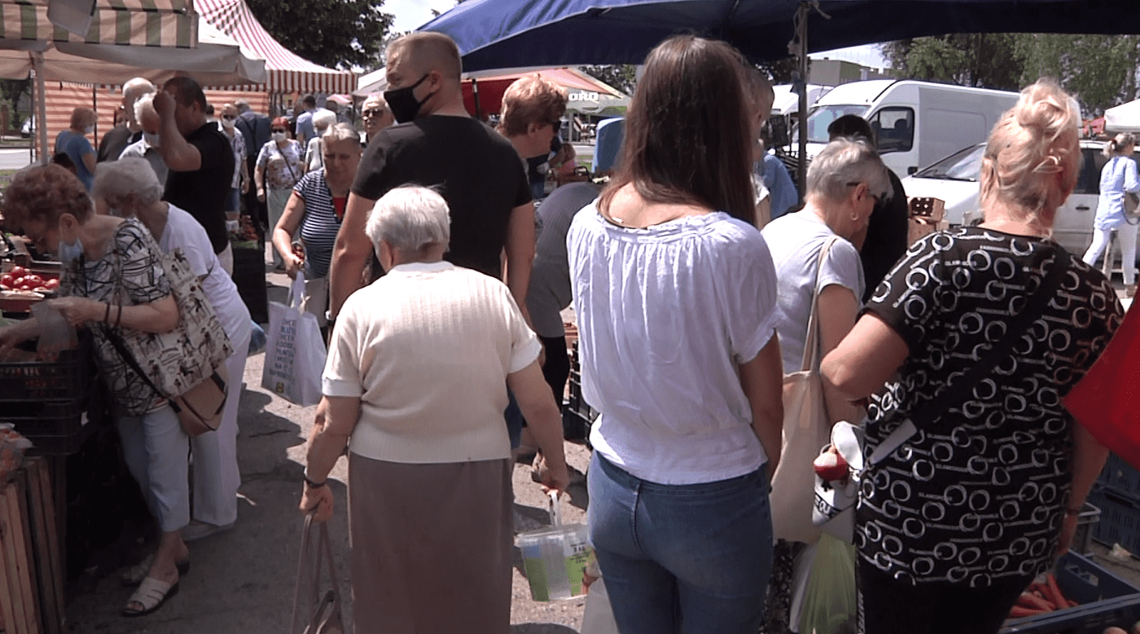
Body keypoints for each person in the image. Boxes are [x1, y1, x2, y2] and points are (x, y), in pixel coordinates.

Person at [820, 79, 1124, 634]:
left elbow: (844, 372)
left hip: (911, 524)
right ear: (1064, 183)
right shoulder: (1093, 294)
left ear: (987, 173)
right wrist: (1072, 509)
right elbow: (1095, 429)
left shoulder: (940, 260)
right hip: (1017, 529)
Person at [568, 35, 783, 634]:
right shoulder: (731, 244)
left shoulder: (589, 221)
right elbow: (768, 404)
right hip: (711, 491)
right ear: (727, 123)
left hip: (614, 479)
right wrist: (756, 478)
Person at [299, 186, 570, 634]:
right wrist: (556, 463)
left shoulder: (360, 308)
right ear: (443, 239)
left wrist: (315, 480)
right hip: (477, 470)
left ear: (384, 248)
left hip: (387, 474)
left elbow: (331, 420)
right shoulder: (492, 295)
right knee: (474, 595)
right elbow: (538, 400)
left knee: (390, 598)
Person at [0, 165, 187, 616]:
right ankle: (172, 547)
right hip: (120, 385)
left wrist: (95, 310)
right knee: (143, 470)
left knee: (164, 475)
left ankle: (167, 565)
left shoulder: (130, 240)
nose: (36, 246)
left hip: (157, 380)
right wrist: (15, 332)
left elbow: (165, 315)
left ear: (65, 222)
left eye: (37, 237)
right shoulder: (76, 255)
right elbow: (65, 310)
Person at [758, 136, 888, 633]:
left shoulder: (775, 230)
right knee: (793, 571)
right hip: (804, 432)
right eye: (872, 201)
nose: (871, 214)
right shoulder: (834, 254)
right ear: (857, 195)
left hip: (763, 412)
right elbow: (839, 370)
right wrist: (850, 441)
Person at [92, 158, 252, 542]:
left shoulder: (179, 228)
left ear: (130, 199)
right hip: (204, 329)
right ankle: (218, 495)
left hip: (218, 329)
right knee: (208, 421)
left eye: (112, 202)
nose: (108, 210)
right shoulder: (150, 223)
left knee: (210, 420)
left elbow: (185, 300)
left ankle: (217, 514)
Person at [328, 32, 532, 327]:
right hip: (480, 324)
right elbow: (523, 253)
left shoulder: (388, 147)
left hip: (397, 326)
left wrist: (338, 326)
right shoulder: (506, 153)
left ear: (434, 81)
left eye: (396, 81)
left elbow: (350, 250)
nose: (389, 91)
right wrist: (511, 324)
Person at [273, 123, 361, 329]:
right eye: (329, 156)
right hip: (315, 292)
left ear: (359, 154)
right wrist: (288, 257)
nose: (336, 163)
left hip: (361, 294)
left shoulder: (370, 185)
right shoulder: (310, 184)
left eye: (344, 157)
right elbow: (282, 229)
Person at [525, 181, 599, 409]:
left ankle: (536, 430)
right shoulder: (593, 206)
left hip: (534, 282)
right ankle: (541, 434)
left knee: (548, 363)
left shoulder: (578, 193)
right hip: (539, 289)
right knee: (555, 365)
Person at [154, 77, 236, 274]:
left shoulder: (214, 141)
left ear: (195, 107)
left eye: (175, 109)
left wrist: (166, 114)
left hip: (208, 255)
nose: (171, 117)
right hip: (185, 252)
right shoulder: (186, 139)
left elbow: (177, 158)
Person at [827, 114, 910, 301]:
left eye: (833, 148)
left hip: (869, 283)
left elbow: (856, 237)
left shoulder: (867, 182)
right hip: (886, 280)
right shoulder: (887, 177)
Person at [1082, 132, 1140, 297]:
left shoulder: (1108, 165)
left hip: (1104, 211)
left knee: (1096, 246)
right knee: (1128, 251)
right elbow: (1131, 186)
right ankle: (1129, 286)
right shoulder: (1129, 163)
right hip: (1124, 213)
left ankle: (1081, 276)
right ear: (1129, 147)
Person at [498, 74, 567, 201]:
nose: (556, 133)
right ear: (533, 128)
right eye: (556, 125)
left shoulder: (509, 161)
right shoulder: (497, 171)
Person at [256, 116, 304, 269]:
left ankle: (295, 257)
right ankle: (280, 260)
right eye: (275, 130)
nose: (277, 133)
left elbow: (305, 165)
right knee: (277, 225)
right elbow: (259, 169)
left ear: (287, 131)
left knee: (295, 224)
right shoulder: (268, 148)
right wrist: (259, 188)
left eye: (281, 130)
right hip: (275, 191)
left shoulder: (296, 146)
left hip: (294, 190)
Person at [234, 99, 272, 229]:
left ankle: (254, 220)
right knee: (265, 186)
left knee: (250, 191)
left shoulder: (238, 122)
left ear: (238, 109)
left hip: (248, 158)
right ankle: (266, 218)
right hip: (265, 156)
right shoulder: (265, 119)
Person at [119, 92, 169, 186]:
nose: (157, 136)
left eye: (161, 131)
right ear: (141, 126)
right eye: (151, 132)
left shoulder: (185, 153)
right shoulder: (131, 156)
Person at [54, 107, 97, 190]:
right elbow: (92, 168)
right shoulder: (82, 142)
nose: (93, 126)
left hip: (65, 182)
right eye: (92, 123)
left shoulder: (62, 135)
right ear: (85, 123)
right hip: (82, 185)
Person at [219, 103, 250, 217]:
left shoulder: (239, 135)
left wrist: (246, 178)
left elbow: (243, 158)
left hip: (234, 182)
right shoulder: (216, 133)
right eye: (226, 116)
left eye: (232, 117)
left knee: (234, 215)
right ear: (221, 116)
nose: (229, 119)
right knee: (219, 215)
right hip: (218, 183)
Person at [302, 110, 337, 175]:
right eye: (317, 128)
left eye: (322, 128)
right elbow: (306, 169)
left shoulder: (339, 144)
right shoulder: (313, 143)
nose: (318, 131)